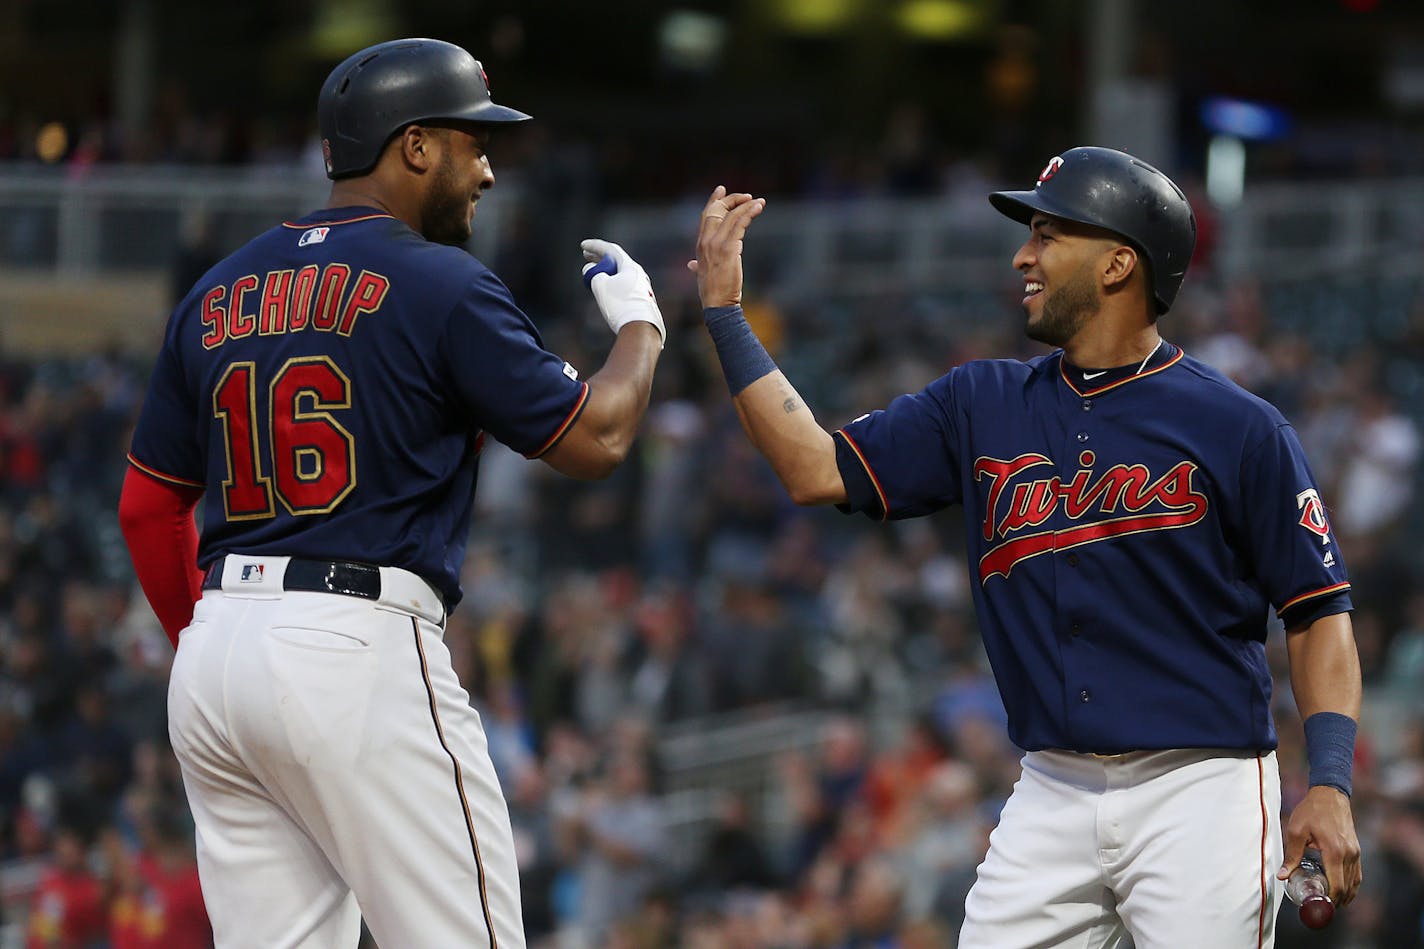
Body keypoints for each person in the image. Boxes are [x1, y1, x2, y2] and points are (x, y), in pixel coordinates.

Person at [690, 147, 1363, 947]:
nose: (1023, 255)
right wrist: (728, 316)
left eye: (1048, 235)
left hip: (1200, 787)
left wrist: (1329, 781)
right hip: (1051, 784)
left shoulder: (1240, 426)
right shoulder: (981, 402)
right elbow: (813, 467)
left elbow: (1319, 612)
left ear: (1119, 263)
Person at [117, 37, 666, 948]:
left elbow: (146, 508)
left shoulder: (215, 290)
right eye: (471, 142)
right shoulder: (439, 281)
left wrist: (211, 644)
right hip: (352, 643)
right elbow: (600, 437)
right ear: (414, 146)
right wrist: (641, 325)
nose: (487, 170)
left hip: (218, 655)